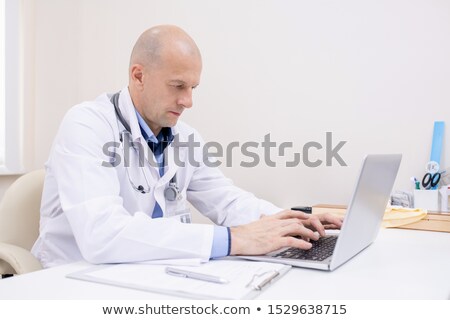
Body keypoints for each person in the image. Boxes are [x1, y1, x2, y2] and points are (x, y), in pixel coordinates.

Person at [32, 25, 342, 268]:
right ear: (138, 75)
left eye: (193, 88)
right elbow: (102, 235)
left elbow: (228, 201)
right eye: (178, 86)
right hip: (77, 278)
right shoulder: (87, 125)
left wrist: (290, 221)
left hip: (147, 274)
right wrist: (233, 240)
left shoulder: (184, 137)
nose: (188, 101)